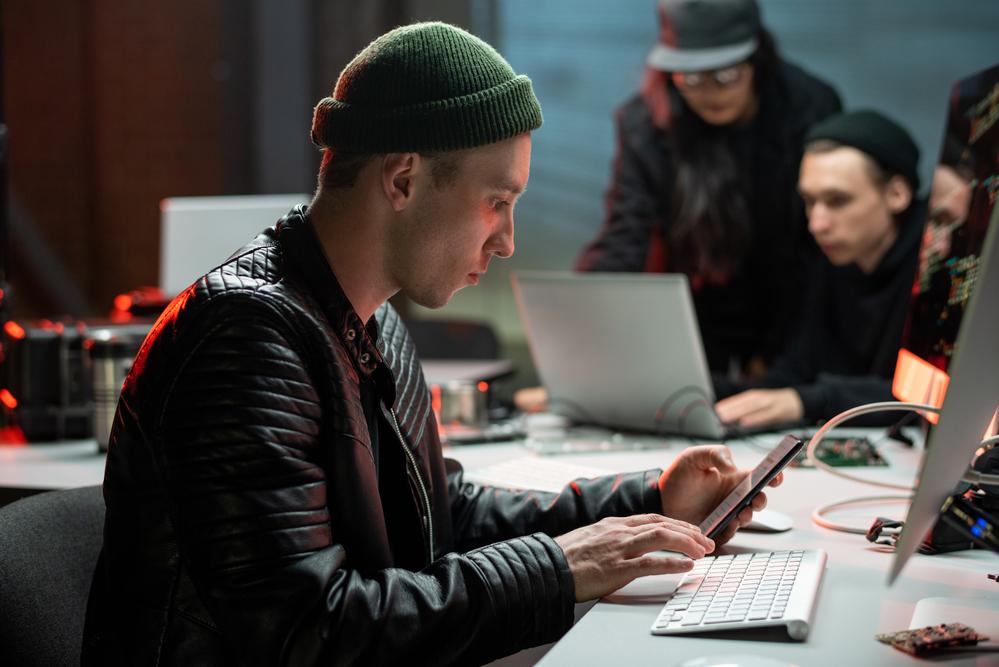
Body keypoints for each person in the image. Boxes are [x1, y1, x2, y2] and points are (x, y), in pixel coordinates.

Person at [82, 22, 777, 666]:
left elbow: (443, 513)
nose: (506, 241)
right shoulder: (246, 338)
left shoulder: (368, 317)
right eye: (497, 202)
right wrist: (559, 567)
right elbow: (309, 631)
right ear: (403, 179)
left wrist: (650, 499)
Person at [576, 0, 841, 376]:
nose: (709, 92)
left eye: (725, 75)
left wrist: (780, 357)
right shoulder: (645, 122)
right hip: (698, 305)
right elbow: (625, 233)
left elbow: (813, 249)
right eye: (691, 78)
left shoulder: (808, 106)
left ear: (756, 60)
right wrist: (583, 329)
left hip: (794, 300)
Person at [714, 110, 925, 428]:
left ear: (897, 194)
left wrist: (807, 400)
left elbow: (929, 399)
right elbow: (797, 371)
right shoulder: (834, 260)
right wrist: (709, 391)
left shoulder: (939, 264)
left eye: (837, 201)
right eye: (809, 201)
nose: (817, 224)